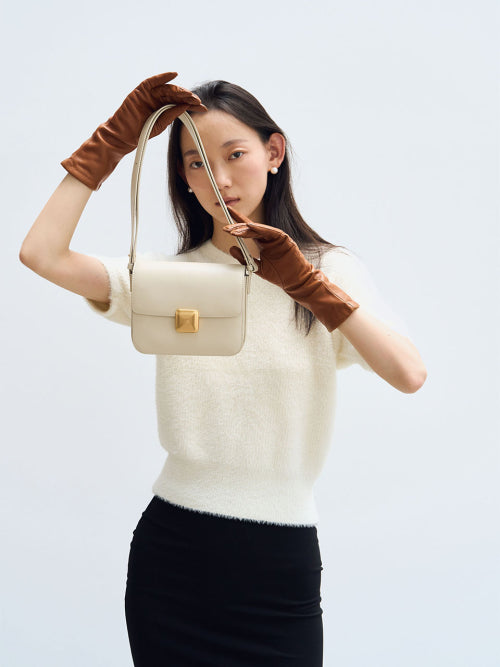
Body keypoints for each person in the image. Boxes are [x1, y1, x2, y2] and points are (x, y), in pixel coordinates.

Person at [19, 71, 427, 666]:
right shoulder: (170, 281)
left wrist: (308, 287)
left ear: (274, 151)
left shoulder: (328, 270)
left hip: (279, 568)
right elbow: (41, 254)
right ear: (182, 178)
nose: (220, 178)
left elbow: (409, 373)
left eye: (235, 154)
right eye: (195, 162)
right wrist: (110, 144)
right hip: (174, 561)